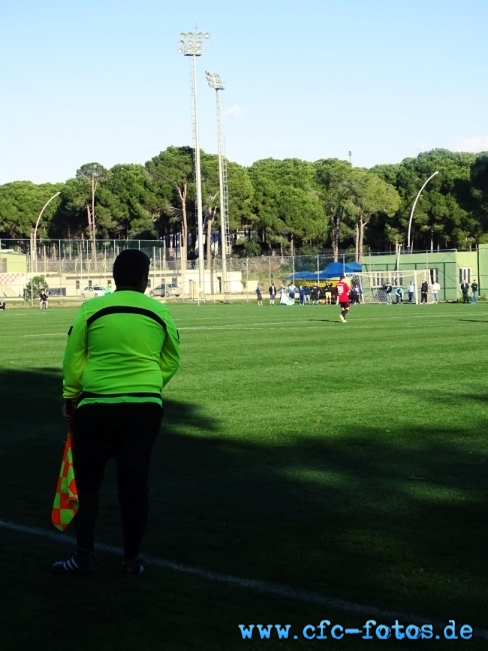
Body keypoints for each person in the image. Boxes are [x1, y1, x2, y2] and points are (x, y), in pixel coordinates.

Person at [53, 249, 180, 576]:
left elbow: (73, 359)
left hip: (95, 406)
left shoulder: (90, 309)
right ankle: (132, 560)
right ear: (144, 279)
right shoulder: (160, 312)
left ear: (113, 278)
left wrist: (71, 398)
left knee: (88, 483)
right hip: (144, 409)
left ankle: (84, 556)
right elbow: (171, 360)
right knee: (134, 484)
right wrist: (151, 384)